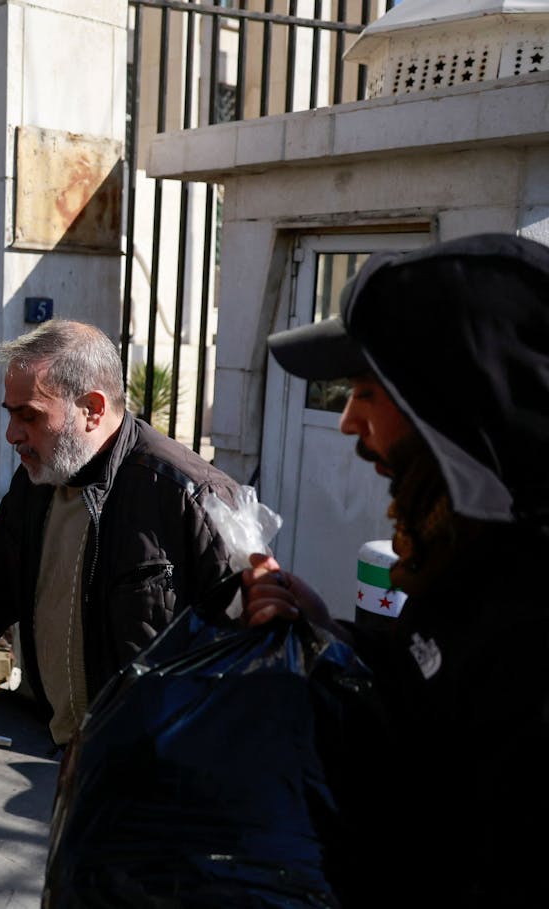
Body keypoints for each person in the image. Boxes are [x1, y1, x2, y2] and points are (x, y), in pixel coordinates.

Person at [246, 232, 549, 906]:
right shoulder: (466, 558)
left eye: (364, 392)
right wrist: (327, 631)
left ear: (449, 415)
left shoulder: (528, 618)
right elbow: (423, 684)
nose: (349, 423)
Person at [0, 319, 239, 753]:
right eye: (11, 414)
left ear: (91, 409)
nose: (12, 434)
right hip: (79, 755)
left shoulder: (190, 496)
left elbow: (243, 658)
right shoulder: (38, 485)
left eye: (29, 415)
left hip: (170, 769)